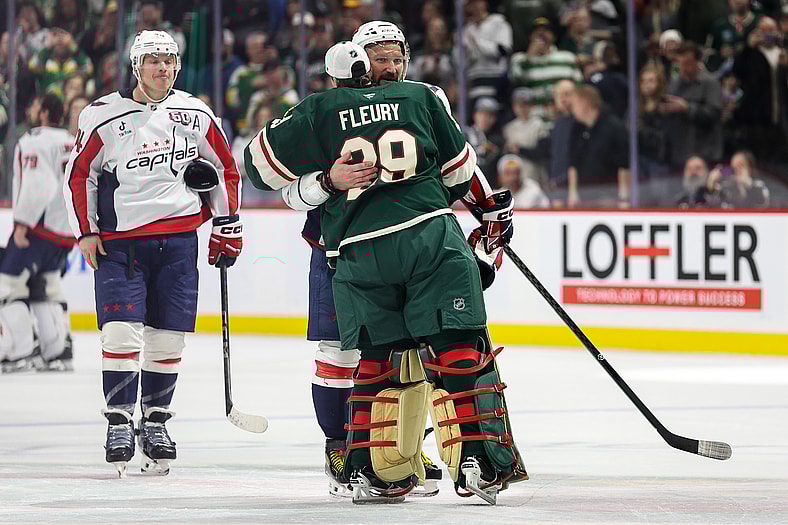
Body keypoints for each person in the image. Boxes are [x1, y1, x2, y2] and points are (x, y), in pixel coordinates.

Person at [245, 40, 527, 505]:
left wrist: (321, 181)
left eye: (397, 58)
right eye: (381, 58)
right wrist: (488, 212)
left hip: (353, 252)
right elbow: (459, 173)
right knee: (457, 347)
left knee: (377, 361)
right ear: (363, 64)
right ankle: (480, 461)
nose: (391, 66)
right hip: (426, 235)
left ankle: (373, 468)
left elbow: (260, 169)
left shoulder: (317, 110)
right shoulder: (421, 96)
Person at [62, 30, 242, 478]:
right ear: (135, 66)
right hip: (121, 243)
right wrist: (86, 231)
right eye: (153, 60)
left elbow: (223, 167)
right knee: (121, 334)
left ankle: (156, 421)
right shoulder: (102, 115)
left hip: (179, 241)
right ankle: (120, 422)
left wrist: (227, 221)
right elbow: (80, 174)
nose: (162, 68)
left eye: (169, 60)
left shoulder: (195, 112)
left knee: (167, 338)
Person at [1, 93, 76, 373]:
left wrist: (22, 223)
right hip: (65, 232)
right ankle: (58, 350)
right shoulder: (71, 141)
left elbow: (38, 184)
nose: (31, 108)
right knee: (46, 286)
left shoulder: (33, 140)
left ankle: (20, 351)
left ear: (44, 111)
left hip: (39, 229)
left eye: (35, 105)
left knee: (8, 287)